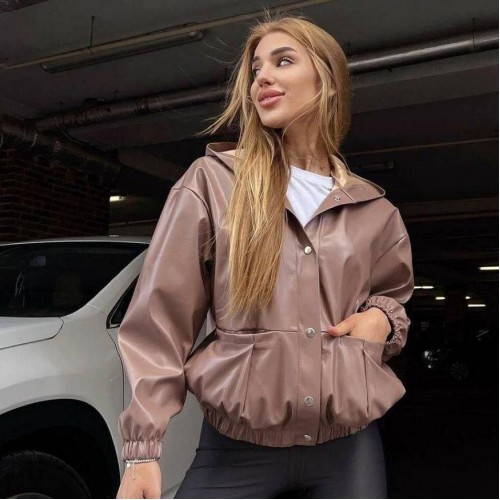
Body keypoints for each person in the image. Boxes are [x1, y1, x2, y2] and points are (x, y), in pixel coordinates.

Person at [116, 14, 414, 499]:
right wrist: (143, 451)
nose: (262, 78)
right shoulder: (212, 183)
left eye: (283, 61)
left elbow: (392, 296)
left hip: (348, 450)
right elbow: (159, 321)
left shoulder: (374, 209)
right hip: (236, 451)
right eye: (256, 69)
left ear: (327, 80)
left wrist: (382, 317)